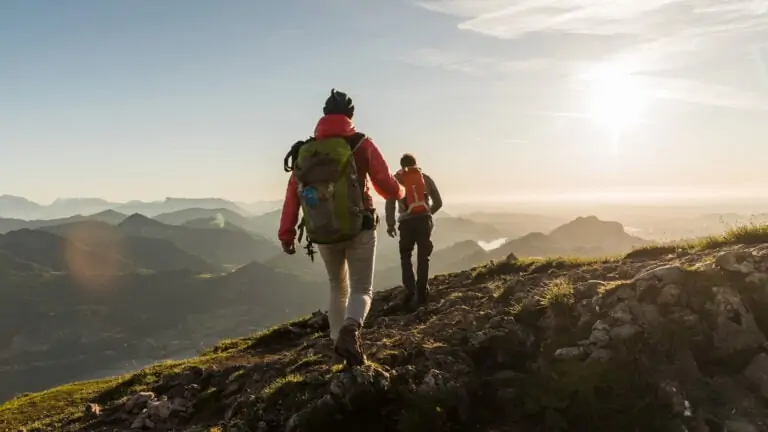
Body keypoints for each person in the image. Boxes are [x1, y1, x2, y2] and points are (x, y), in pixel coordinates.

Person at [279, 89, 405, 366]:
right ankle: (351, 330)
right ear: (350, 116)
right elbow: (386, 184)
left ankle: (339, 348)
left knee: (337, 287)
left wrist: (287, 234)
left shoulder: (306, 151)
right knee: (362, 289)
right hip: (360, 226)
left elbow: (292, 196)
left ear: (324, 116)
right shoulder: (361, 144)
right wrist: (401, 191)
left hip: (322, 232)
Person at [385, 153, 443, 308]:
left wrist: (390, 224)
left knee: (406, 256)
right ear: (415, 164)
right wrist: (428, 213)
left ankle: (410, 290)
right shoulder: (425, 178)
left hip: (406, 223)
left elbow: (390, 203)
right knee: (424, 257)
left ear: (401, 165)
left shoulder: (397, 180)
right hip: (424, 221)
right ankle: (422, 292)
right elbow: (438, 202)